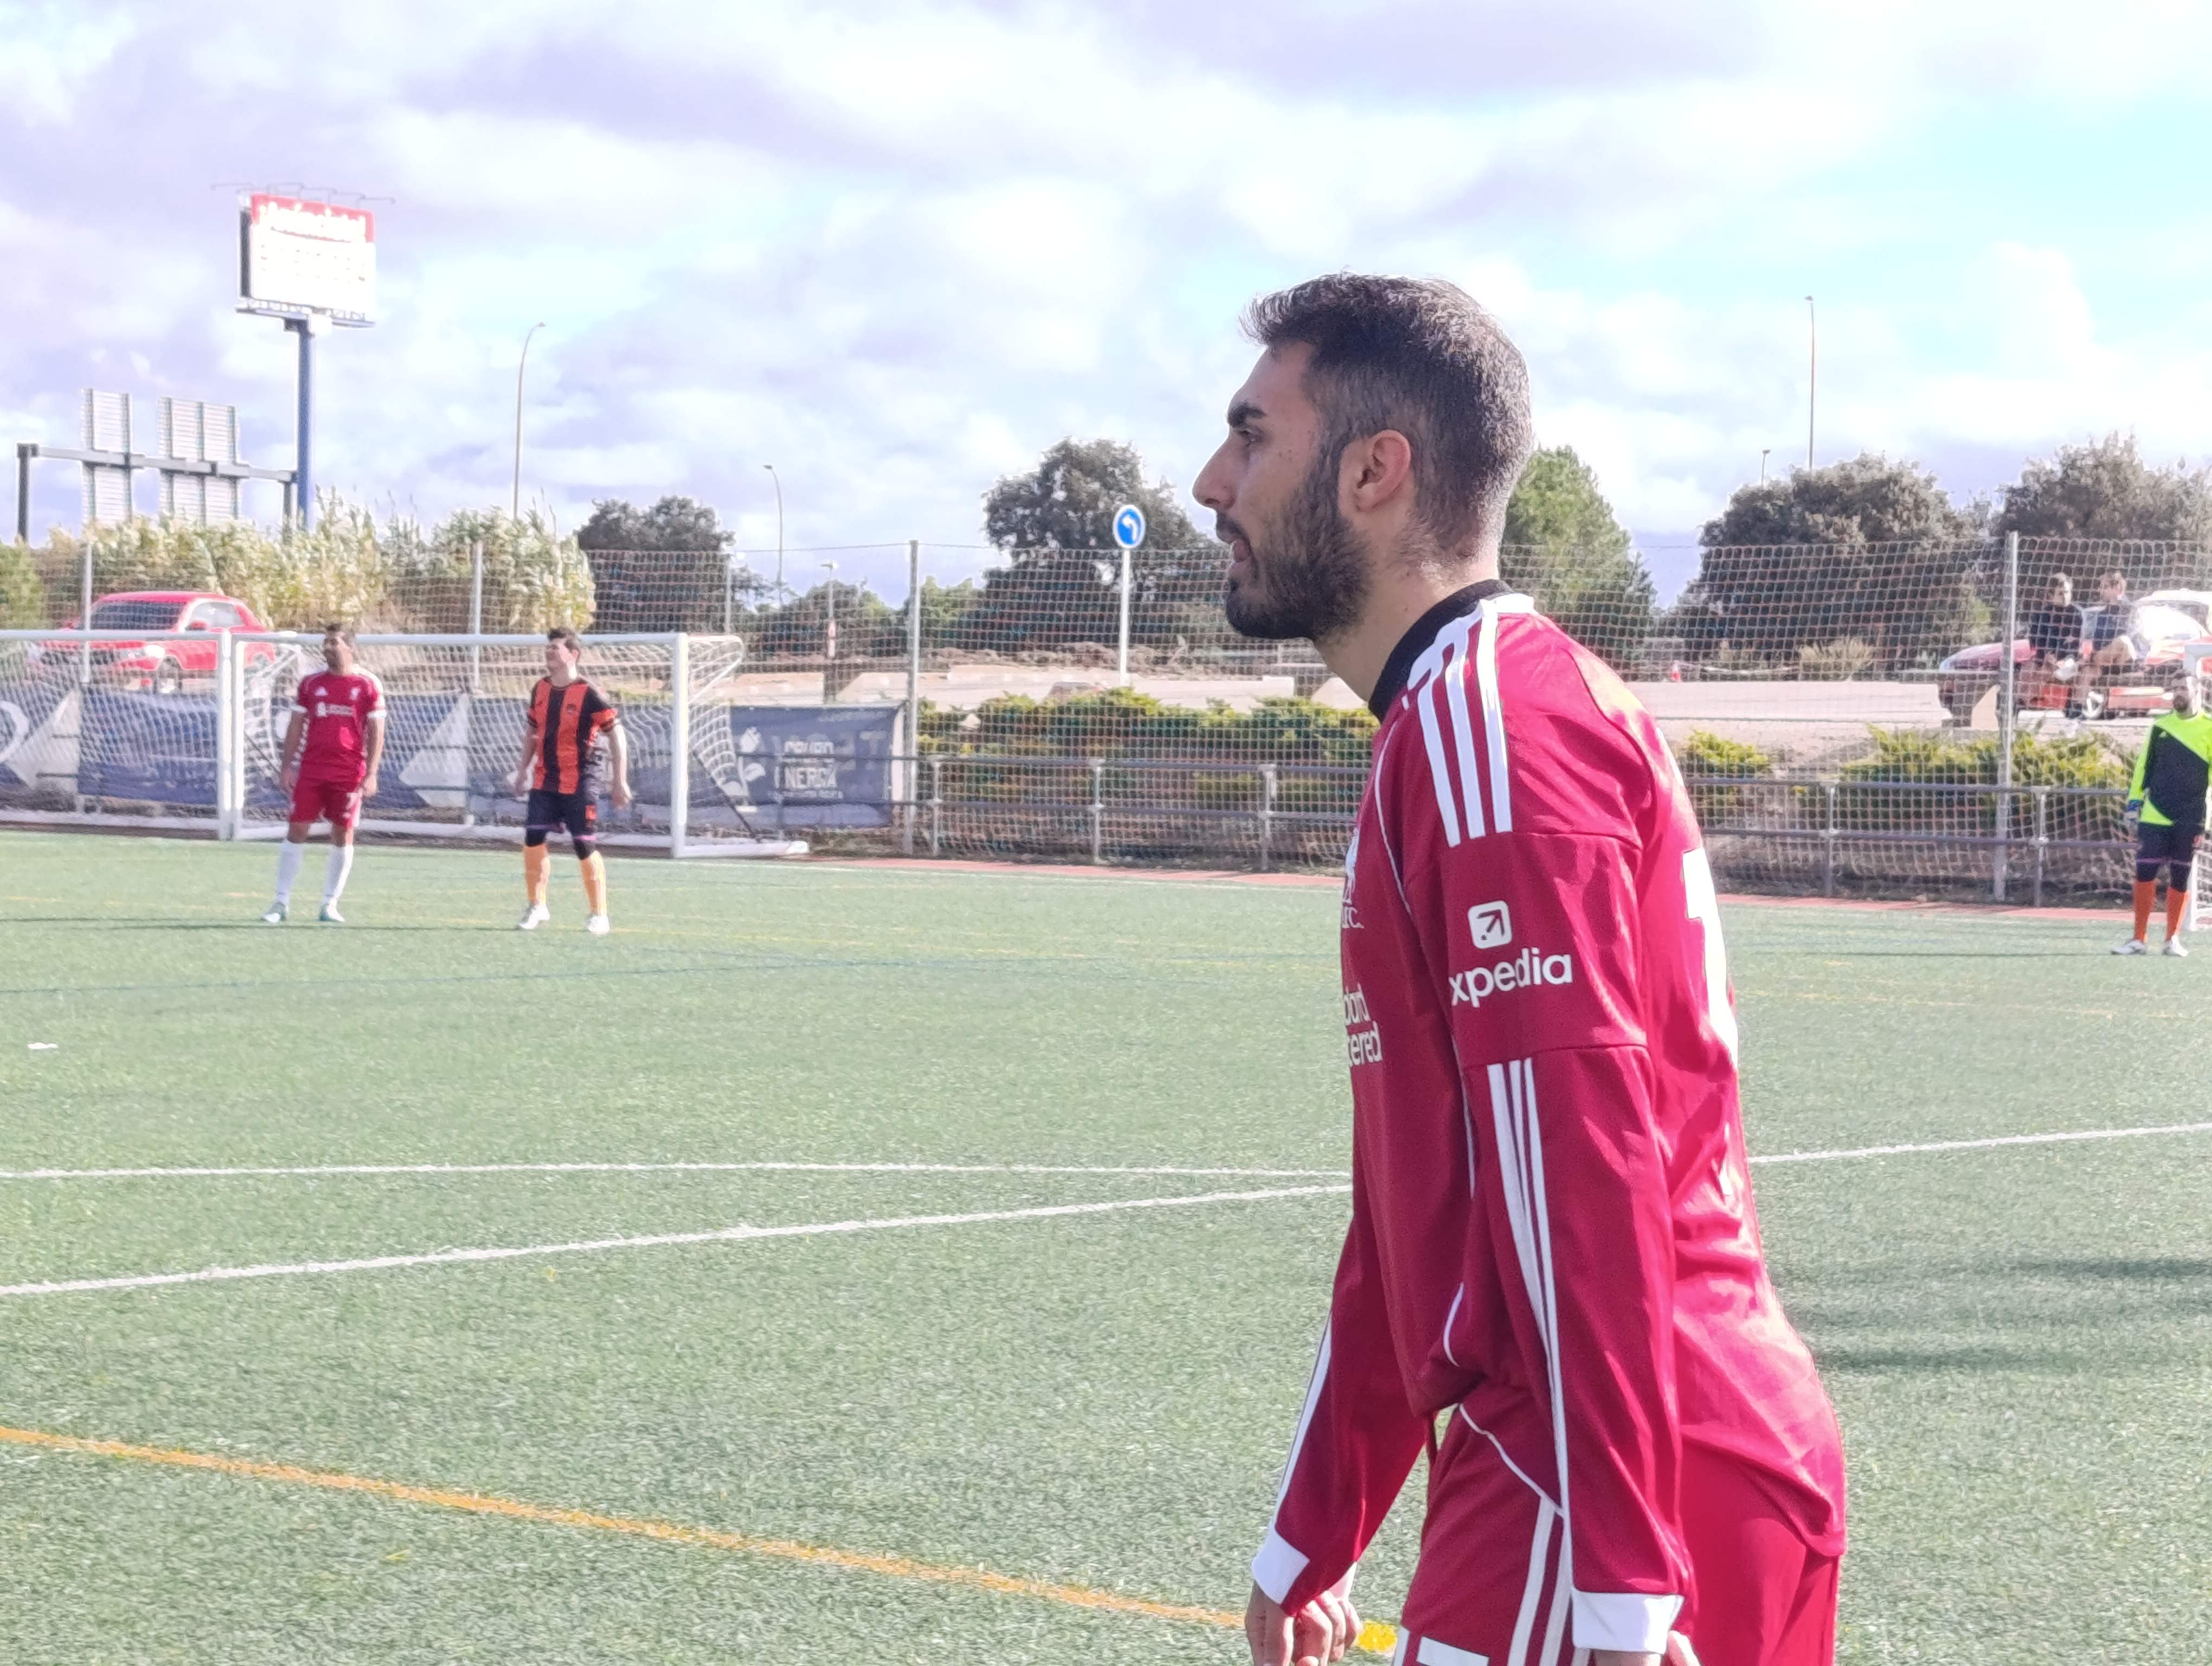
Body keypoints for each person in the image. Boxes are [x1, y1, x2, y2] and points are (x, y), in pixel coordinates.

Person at [1194, 275, 1846, 1666]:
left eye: (1251, 436)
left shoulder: (1486, 728)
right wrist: (1312, 1529)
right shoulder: (1460, 718)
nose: (1212, 482)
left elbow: (1579, 1172)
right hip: (1632, 1450)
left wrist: (1620, 1585)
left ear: (1373, 473)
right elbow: (1423, 1209)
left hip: (1601, 1469)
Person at [510, 626, 632, 935]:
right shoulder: (539, 689)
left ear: (573, 654)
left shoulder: (589, 693)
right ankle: (537, 905)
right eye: (548, 647)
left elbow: (616, 733)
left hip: (581, 780)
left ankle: (599, 914)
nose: (549, 652)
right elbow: (532, 732)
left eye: (556, 648)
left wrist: (620, 781)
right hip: (545, 779)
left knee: (583, 844)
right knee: (533, 838)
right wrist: (522, 770)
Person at [262, 624, 383, 925]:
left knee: (343, 833)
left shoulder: (368, 684)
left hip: (349, 771)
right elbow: (296, 725)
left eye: (334, 643)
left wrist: (372, 773)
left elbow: (376, 731)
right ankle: (280, 902)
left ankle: (330, 904)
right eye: (326, 642)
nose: (327, 647)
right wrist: (287, 765)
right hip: (312, 769)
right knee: (297, 829)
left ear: (350, 648)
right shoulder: (311, 683)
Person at [2114, 668, 2212, 957]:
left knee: (2180, 875)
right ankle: (2138, 939)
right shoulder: (2160, 727)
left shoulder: (2209, 727)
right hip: (2155, 813)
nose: (2178, 694)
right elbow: (2143, 768)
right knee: (2145, 872)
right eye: (2175, 689)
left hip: (2191, 816)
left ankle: (2172, 940)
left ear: (2198, 691)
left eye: (2183, 688)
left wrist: (2206, 819)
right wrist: (2134, 804)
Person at [2074, 571, 2142, 711]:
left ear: (2116, 588)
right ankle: (2077, 709)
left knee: (2123, 641)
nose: (2101, 591)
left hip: (2126, 660)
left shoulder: (2131, 610)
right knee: (2087, 672)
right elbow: (2098, 641)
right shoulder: (2103, 613)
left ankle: (2089, 661)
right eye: (2101, 587)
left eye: (2105, 587)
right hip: (2106, 662)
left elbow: (2132, 638)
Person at [2020, 572, 2086, 713]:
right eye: (2060, 594)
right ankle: (2016, 702)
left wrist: (2061, 661)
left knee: (2045, 671)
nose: (2065, 597)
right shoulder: (2044, 615)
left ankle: (2022, 701)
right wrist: (2049, 657)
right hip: (2048, 660)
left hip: (2070, 661)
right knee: (2027, 669)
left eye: (2067, 593)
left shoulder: (2077, 614)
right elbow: (2040, 643)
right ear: (2051, 595)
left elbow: (2076, 647)